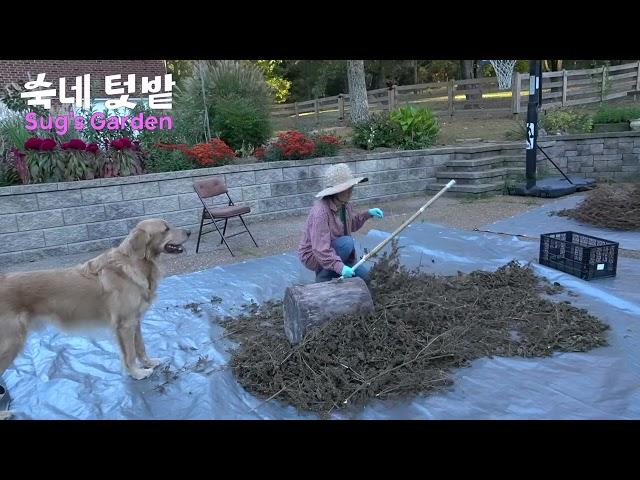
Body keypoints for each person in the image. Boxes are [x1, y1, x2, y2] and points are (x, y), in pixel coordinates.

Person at [298, 163, 384, 283]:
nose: (350, 191)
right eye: (346, 188)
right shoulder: (321, 213)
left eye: (351, 187)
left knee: (365, 278)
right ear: (335, 191)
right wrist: (341, 267)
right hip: (315, 254)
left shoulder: (345, 205)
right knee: (347, 243)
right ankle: (323, 278)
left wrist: (368, 214)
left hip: (337, 250)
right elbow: (320, 249)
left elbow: (352, 224)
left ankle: (334, 267)